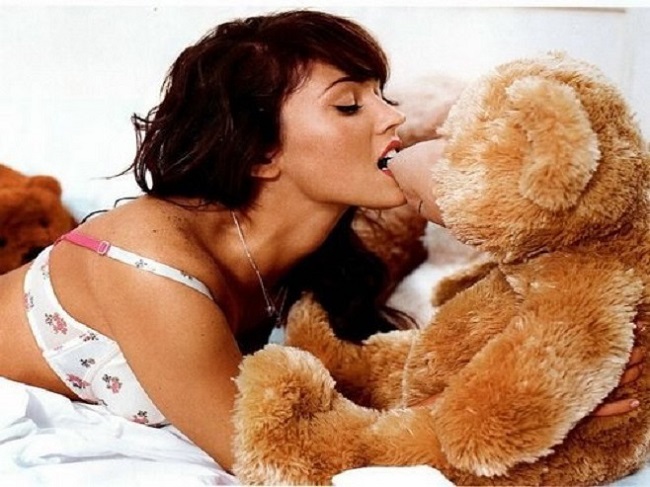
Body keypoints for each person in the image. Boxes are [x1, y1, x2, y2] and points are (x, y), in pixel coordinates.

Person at [0, 9, 642, 475]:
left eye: (382, 95)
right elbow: (269, 457)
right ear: (262, 152)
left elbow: (393, 369)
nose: (394, 117)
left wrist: (556, 372)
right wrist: (508, 414)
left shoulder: (319, 252)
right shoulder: (149, 265)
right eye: (349, 105)